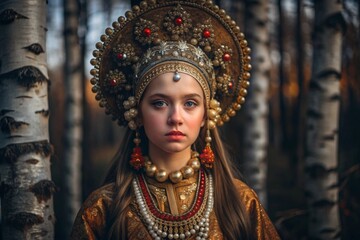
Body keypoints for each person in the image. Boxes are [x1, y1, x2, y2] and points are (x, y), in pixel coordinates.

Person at [71, 0, 281, 239]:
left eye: (190, 103)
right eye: (159, 103)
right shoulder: (103, 208)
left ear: (206, 115)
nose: (175, 118)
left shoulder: (241, 202)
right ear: (137, 114)